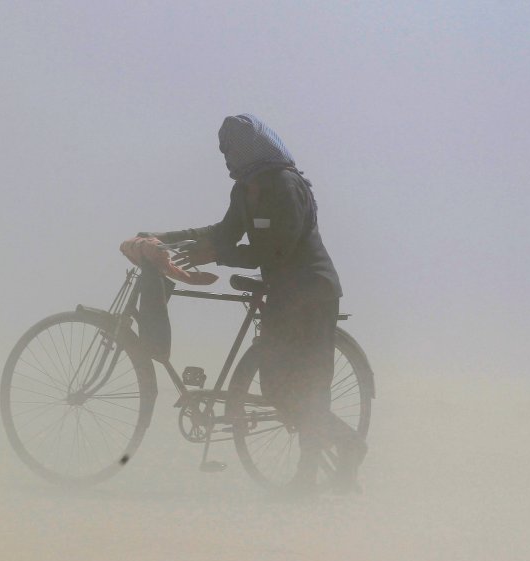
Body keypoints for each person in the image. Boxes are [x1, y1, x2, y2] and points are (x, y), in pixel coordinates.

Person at [125, 114, 366, 496]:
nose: (226, 158)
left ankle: (330, 460)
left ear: (249, 151)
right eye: (223, 151)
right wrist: (163, 238)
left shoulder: (286, 186)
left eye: (231, 150)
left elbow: (275, 249)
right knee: (276, 389)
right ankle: (322, 462)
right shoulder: (244, 190)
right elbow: (223, 234)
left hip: (311, 295)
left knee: (307, 388)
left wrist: (214, 256)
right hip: (281, 296)